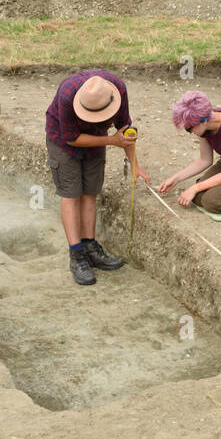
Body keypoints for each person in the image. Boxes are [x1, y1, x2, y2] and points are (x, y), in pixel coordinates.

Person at [45, 70, 149, 286]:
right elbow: (72, 138)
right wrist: (111, 141)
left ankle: (90, 246)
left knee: (90, 192)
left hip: (100, 139)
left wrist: (135, 165)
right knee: (72, 194)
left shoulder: (117, 88)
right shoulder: (67, 95)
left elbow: (124, 131)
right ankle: (77, 255)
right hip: (63, 142)